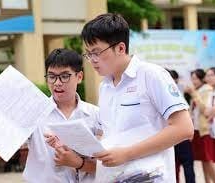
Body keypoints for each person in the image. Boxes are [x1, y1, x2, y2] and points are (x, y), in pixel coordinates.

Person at [81, 13, 194, 182]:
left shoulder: (151, 75)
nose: (92, 60)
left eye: (97, 52)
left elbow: (184, 128)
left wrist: (127, 154)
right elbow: (108, 134)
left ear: (120, 48)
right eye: (89, 54)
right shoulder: (105, 86)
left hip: (151, 177)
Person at [0, 48, 101, 183]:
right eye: (51, 76)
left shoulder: (95, 115)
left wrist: (78, 162)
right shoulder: (34, 111)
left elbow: (108, 166)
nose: (57, 83)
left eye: (64, 76)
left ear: (79, 76)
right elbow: (4, 137)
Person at [185, 69, 215, 183]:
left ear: (201, 79)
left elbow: (204, 109)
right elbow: (192, 111)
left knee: (209, 159)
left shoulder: (206, 90)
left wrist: (193, 93)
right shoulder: (197, 90)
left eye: (195, 78)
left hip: (205, 130)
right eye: (192, 79)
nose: (193, 81)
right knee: (203, 160)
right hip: (196, 129)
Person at [168, 70, 195, 183]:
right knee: (174, 166)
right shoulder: (175, 92)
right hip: (169, 136)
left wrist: (190, 131)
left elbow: (187, 113)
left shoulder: (176, 93)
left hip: (180, 135)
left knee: (186, 164)